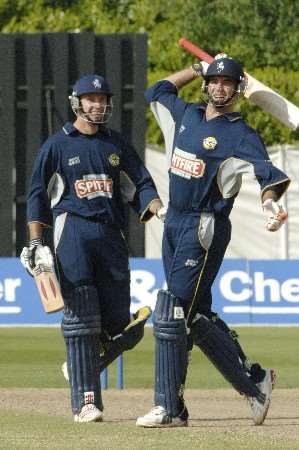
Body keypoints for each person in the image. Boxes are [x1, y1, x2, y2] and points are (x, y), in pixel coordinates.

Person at [136, 55, 290, 428]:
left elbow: (268, 176)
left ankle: (170, 408)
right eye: (215, 80)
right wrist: (194, 68)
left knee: (172, 311)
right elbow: (156, 90)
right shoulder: (184, 115)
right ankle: (254, 383)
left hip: (205, 226)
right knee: (194, 315)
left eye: (228, 82)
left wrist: (270, 207)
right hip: (174, 222)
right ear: (207, 84)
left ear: (238, 89)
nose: (220, 87)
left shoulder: (241, 133)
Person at [20, 74, 165, 423]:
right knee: (83, 321)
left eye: (102, 99)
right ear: (77, 103)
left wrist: (161, 210)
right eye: (91, 99)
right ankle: (86, 403)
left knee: (124, 331)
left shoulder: (115, 144)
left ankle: (82, 363)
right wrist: (36, 242)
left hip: (112, 237)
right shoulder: (58, 145)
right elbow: (37, 194)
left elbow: (140, 184)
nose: (98, 105)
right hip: (73, 235)